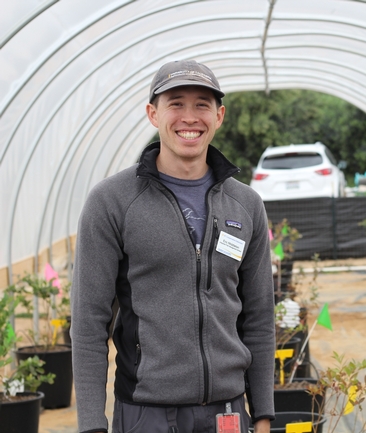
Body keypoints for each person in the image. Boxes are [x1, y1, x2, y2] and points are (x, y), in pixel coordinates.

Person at [71, 60, 276, 433]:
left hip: (228, 413)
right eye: (175, 103)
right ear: (153, 113)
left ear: (219, 116)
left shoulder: (246, 205)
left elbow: (259, 318)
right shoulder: (112, 202)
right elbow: (88, 323)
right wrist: (90, 424)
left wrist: (262, 413)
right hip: (146, 412)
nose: (189, 117)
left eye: (202, 104)